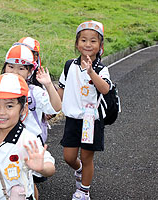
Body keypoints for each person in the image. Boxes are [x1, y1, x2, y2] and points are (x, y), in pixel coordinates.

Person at [0, 73, 56, 200]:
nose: (1, 112)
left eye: (9, 106)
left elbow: (50, 168)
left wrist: (41, 168)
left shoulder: (28, 139)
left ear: (23, 109)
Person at [57, 20, 112, 200]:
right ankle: (79, 170)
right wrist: (52, 108)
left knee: (87, 157)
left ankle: (83, 191)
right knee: (69, 157)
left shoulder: (101, 69)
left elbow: (105, 89)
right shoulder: (69, 66)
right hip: (73, 119)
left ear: (100, 45)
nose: (88, 44)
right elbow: (61, 90)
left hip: (91, 120)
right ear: (77, 43)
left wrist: (91, 72)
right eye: (83, 40)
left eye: (93, 41)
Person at [2, 44, 61, 199]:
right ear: (4, 67)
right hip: (4, 145)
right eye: (11, 67)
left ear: (29, 71)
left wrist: (48, 84)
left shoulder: (34, 92)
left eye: (21, 68)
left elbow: (55, 108)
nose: (15, 72)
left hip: (28, 145)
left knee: (28, 183)